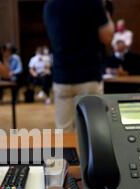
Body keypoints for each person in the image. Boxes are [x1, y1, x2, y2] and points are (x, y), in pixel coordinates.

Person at [44, 0, 114, 132]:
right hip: (88, 76)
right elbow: (107, 37)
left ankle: (67, 153)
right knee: (92, 133)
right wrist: (106, 13)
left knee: (64, 133)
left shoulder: (50, 5)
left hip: (61, 76)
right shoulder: (92, 3)